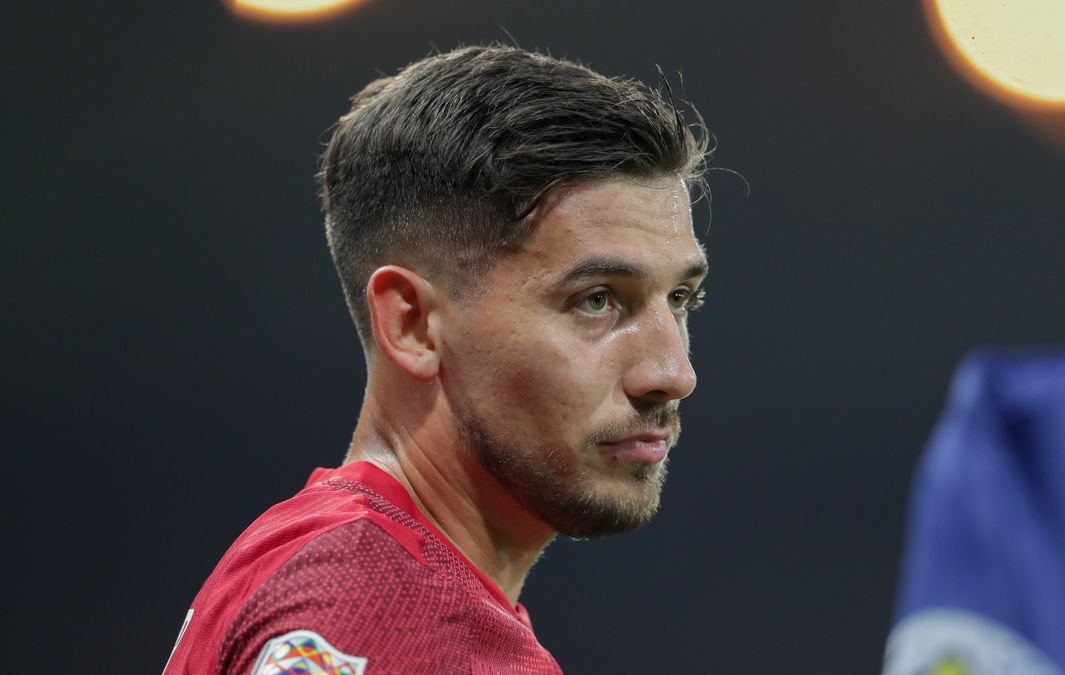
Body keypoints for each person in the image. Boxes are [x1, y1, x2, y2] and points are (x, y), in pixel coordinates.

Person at [163, 44, 711, 674]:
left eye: (681, 298)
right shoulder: (369, 609)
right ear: (413, 324)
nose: (673, 374)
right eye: (596, 300)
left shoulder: (372, 583)